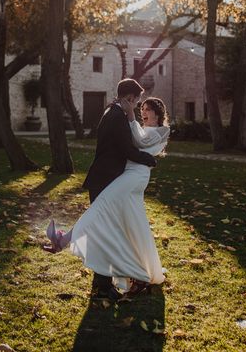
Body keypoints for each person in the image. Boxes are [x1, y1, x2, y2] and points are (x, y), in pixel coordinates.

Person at [45, 90, 170, 300]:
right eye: (142, 109)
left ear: (158, 113)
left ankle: (64, 239)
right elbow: (131, 140)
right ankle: (138, 272)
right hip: (127, 175)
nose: (143, 112)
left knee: (101, 207)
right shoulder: (137, 125)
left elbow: (139, 143)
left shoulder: (161, 131)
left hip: (135, 177)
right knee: (128, 224)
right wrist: (130, 119)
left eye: (148, 109)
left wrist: (130, 117)